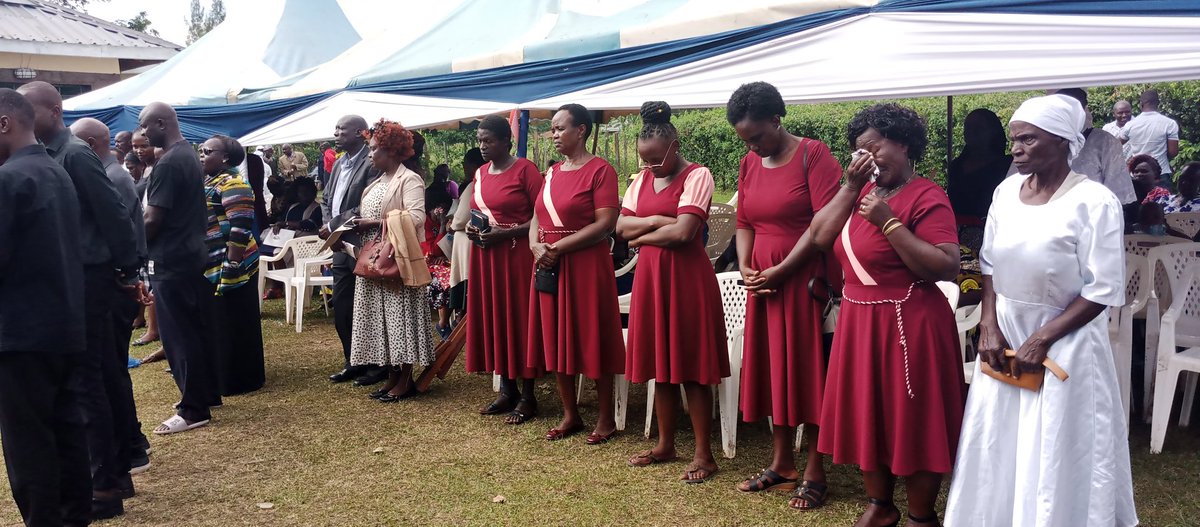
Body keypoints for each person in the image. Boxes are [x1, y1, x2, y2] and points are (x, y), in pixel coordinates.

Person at [945, 93, 1137, 527]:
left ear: (1063, 140)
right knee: (999, 436)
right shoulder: (1005, 192)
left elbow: (1103, 288)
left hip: (1065, 340)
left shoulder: (1094, 201)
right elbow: (989, 265)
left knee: (1056, 440)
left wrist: (1043, 338)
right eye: (1015, 139)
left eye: (1028, 139)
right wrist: (989, 325)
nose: (1016, 149)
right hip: (1006, 337)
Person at [793, 103, 964, 526]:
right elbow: (819, 236)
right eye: (859, 151)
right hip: (859, 321)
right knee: (869, 412)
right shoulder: (859, 193)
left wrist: (890, 224)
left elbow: (945, 265)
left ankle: (921, 516)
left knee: (914, 417)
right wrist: (850, 188)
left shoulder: (927, 195)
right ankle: (880, 505)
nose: (866, 158)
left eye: (874, 148)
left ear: (903, 144)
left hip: (910, 323)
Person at [19, 81, 142, 519]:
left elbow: (113, 214)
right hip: (75, 279)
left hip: (91, 279)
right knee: (95, 379)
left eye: (31, 110)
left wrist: (128, 272)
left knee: (88, 384)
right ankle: (115, 472)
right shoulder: (48, 155)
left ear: (55, 111)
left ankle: (105, 486)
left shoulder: (73, 153)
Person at [720, 82, 841, 507]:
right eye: (745, 140)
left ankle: (815, 470)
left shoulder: (814, 155)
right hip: (763, 283)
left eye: (757, 137)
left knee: (809, 372)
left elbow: (824, 225)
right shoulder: (749, 163)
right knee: (774, 370)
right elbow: (745, 221)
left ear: (777, 119)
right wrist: (745, 265)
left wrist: (782, 269)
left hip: (804, 279)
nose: (752, 147)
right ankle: (782, 464)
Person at [617, 101, 729, 483]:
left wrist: (642, 236)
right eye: (645, 160)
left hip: (686, 281)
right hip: (651, 280)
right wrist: (657, 220)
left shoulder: (698, 176)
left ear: (675, 146)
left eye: (657, 159)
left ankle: (704, 455)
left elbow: (684, 233)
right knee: (660, 367)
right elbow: (621, 229)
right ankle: (665, 445)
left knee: (692, 368)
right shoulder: (641, 181)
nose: (650, 167)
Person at [0, 87, 92, 527]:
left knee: (29, 442)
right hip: (63, 325)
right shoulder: (56, 171)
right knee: (67, 429)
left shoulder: (8, 179)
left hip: (20, 334)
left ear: (4, 124)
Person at [527, 104, 625, 444]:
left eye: (560, 128)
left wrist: (557, 247)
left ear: (581, 130)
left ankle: (605, 418)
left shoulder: (601, 171)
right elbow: (537, 216)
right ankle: (570, 414)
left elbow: (605, 223)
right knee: (555, 334)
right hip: (548, 263)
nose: (553, 135)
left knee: (592, 335)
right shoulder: (552, 172)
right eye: (552, 129)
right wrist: (535, 246)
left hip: (584, 264)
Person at [70, 117, 154, 477]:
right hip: (115, 279)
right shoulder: (111, 173)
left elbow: (119, 229)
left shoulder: (112, 176)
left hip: (114, 283)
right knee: (111, 369)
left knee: (112, 370)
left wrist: (128, 276)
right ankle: (131, 443)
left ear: (89, 144)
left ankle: (132, 447)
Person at [137, 102, 221, 435]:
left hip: (171, 258)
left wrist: (131, 247)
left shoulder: (170, 162)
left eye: (145, 126)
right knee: (193, 329)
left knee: (178, 335)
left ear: (161, 123)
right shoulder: (187, 154)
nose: (143, 133)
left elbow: (152, 218)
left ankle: (193, 409)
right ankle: (205, 394)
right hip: (190, 253)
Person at [348, 119, 436, 402]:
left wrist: (374, 223)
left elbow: (417, 217)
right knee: (383, 320)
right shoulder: (377, 182)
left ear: (392, 150)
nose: (370, 154)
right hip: (374, 259)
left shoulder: (409, 179)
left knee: (400, 318)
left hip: (396, 260)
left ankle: (405, 378)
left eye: (374, 149)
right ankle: (392, 375)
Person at [464, 117, 542, 424]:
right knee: (496, 316)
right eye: (480, 141)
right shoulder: (481, 173)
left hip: (517, 253)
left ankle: (528, 396)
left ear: (506, 141)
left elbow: (541, 216)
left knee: (520, 319)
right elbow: (478, 211)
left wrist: (507, 233)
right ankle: (507, 390)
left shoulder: (525, 170)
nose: (483, 146)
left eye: (489, 141)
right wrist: (472, 228)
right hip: (487, 255)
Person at [200, 135, 266, 396]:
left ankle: (241, 379)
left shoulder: (234, 183)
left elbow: (240, 226)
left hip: (232, 262)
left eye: (207, 151)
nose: (202, 155)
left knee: (235, 320)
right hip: (214, 260)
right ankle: (222, 374)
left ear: (225, 157)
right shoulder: (211, 181)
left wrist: (232, 264)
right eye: (201, 150)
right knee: (221, 321)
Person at [321, 115, 383, 386]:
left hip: (362, 243)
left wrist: (333, 225)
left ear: (360, 133)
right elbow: (326, 198)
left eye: (341, 129)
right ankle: (353, 361)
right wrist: (329, 226)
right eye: (335, 129)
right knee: (343, 305)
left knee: (367, 306)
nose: (336, 134)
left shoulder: (371, 162)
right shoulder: (338, 163)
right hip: (339, 245)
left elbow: (366, 205)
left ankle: (376, 365)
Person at [1054, 89, 1138, 208]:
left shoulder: (1105, 142)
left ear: (1083, 109)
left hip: (1093, 211)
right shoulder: (1045, 140)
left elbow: (1118, 194)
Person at [946, 109, 1012, 225]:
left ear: (992, 132)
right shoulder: (956, 166)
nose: (971, 132)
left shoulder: (1007, 166)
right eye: (968, 128)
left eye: (978, 128)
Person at [448, 147, 484, 318]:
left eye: (466, 165)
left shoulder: (473, 185)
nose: (464, 169)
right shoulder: (483, 182)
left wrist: (452, 224)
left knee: (466, 288)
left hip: (466, 245)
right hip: (474, 242)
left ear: (474, 166)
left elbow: (460, 219)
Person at [1118, 89, 1180, 187]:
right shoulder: (1169, 123)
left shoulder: (1130, 125)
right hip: (1160, 173)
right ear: (1158, 104)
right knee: (1162, 197)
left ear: (1141, 104)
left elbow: (1115, 144)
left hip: (1137, 174)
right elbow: (1173, 152)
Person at [425, 154, 455, 338]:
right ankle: (443, 323)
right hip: (428, 262)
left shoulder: (445, 221)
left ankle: (456, 318)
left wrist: (446, 226)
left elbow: (448, 247)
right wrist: (442, 226)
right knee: (444, 280)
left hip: (443, 261)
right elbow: (433, 250)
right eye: (438, 209)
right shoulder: (425, 224)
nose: (441, 213)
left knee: (457, 276)